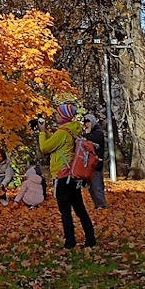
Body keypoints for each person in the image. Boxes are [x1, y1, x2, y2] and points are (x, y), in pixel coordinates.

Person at [39, 103, 97, 250]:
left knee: (65, 211)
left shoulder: (63, 133)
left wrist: (41, 132)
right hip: (73, 175)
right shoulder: (73, 130)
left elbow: (45, 147)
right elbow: (52, 144)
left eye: (58, 114)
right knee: (80, 209)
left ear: (64, 116)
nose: (56, 116)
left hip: (62, 175)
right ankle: (90, 239)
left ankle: (70, 242)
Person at [82, 113, 107, 209]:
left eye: (88, 122)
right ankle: (98, 204)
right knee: (91, 185)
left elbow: (93, 142)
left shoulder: (98, 132)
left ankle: (101, 204)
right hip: (89, 163)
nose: (86, 124)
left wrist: (87, 134)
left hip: (96, 163)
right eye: (85, 123)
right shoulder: (90, 133)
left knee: (96, 184)